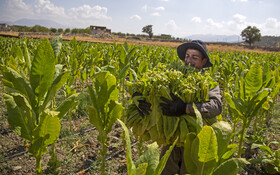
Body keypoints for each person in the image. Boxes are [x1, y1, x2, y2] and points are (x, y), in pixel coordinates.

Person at [134, 40, 223, 175]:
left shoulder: (209, 83)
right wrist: (139, 99)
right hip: (171, 136)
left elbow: (216, 107)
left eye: (195, 57)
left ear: (204, 61)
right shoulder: (173, 75)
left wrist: (186, 108)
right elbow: (150, 88)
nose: (189, 60)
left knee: (188, 171)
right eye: (187, 56)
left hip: (194, 140)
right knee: (165, 170)